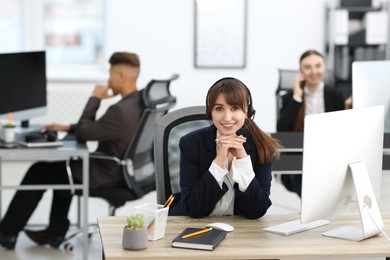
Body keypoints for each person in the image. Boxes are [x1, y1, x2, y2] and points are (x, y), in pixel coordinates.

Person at [0, 51, 145, 250]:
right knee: (62, 172)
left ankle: (6, 233)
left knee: (40, 171)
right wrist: (67, 127)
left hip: (107, 175)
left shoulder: (119, 111)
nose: (108, 80)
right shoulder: (139, 103)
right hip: (126, 172)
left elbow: (86, 133)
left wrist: (95, 98)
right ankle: (55, 233)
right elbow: (98, 129)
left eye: (110, 74)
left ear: (122, 76)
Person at [170, 77, 281, 219]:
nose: (227, 118)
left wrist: (243, 160)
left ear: (247, 110)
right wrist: (219, 161)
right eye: (219, 109)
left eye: (235, 108)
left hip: (241, 232)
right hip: (193, 226)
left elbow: (257, 211)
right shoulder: (190, 143)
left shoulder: (263, 146)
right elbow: (194, 209)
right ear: (210, 112)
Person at [277, 49, 348, 197]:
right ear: (301, 71)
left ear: (324, 68)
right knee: (309, 192)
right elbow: (282, 130)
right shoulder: (290, 97)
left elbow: (343, 129)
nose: (313, 71)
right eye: (308, 67)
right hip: (301, 157)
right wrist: (297, 96)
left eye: (318, 66)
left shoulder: (336, 96)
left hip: (329, 155)